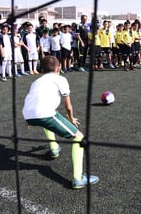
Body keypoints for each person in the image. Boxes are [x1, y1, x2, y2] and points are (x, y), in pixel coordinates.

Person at [22, 55, 99, 189]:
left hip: (28, 115)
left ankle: (54, 149)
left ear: (42, 70)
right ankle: (78, 178)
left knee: (48, 120)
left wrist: (28, 119)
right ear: (59, 68)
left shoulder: (36, 82)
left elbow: (31, 100)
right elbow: (68, 105)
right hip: (44, 113)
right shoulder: (60, 79)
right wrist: (71, 118)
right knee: (79, 138)